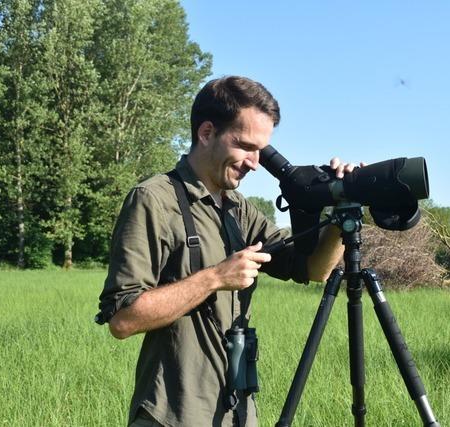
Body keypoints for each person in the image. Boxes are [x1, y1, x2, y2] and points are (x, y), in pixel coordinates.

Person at [96, 76, 358, 427]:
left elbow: (314, 269)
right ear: (206, 133)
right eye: (246, 147)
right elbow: (123, 319)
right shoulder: (154, 200)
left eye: (261, 151)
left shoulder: (238, 209)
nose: (254, 162)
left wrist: (342, 213)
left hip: (237, 413)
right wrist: (216, 277)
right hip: (172, 414)